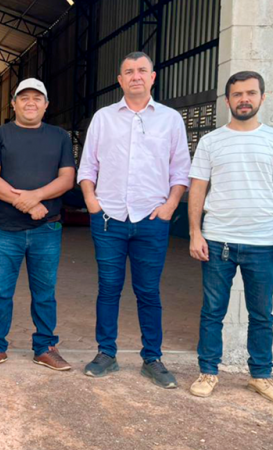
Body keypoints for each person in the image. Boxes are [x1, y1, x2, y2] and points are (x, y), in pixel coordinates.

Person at [77, 51, 191, 388]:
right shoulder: (103, 117)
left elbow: (180, 169)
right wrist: (91, 201)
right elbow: (88, 166)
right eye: (129, 71)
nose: (136, 76)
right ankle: (106, 354)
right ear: (120, 80)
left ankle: (152, 358)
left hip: (152, 218)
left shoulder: (170, 119)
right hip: (109, 218)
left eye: (142, 70)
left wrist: (171, 205)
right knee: (108, 289)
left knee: (148, 291)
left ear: (153, 77)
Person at [188, 71, 273, 404]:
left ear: (263, 97)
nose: (244, 99)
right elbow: (198, 188)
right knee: (212, 311)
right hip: (218, 240)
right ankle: (208, 372)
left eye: (250, 93)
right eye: (237, 94)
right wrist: (195, 232)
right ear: (228, 100)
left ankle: (260, 376)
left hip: (262, 242)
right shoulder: (211, 141)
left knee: (261, 314)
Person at [0, 78, 76, 373]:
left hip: (47, 229)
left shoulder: (59, 137)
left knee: (45, 292)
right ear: (14, 104)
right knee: (0, 292)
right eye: (24, 98)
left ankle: (45, 347)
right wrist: (29, 204)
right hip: (5, 229)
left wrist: (36, 197)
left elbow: (67, 179)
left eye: (37, 98)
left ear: (46, 105)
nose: (30, 103)